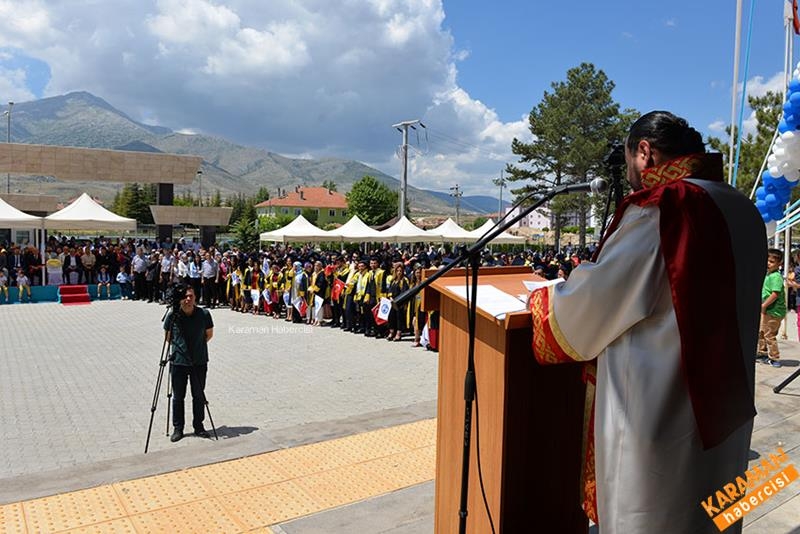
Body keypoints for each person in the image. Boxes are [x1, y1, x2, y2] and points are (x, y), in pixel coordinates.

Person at [527, 111, 765, 533]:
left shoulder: (664, 211)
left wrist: (543, 297)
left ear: (644, 152)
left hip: (658, 419)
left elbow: (589, 311)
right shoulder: (741, 208)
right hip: (723, 415)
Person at [164, 285, 214, 442]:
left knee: (198, 395)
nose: (188, 299)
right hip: (178, 362)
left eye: (191, 296)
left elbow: (209, 334)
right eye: (185, 296)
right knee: (178, 396)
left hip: (199, 361)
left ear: (195, 298)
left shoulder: (204, 314)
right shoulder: (173, 316)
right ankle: (178, 428)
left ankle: (198, 426)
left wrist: (196, 347)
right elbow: (168, 337)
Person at [759, 248, 786, 367]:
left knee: (769, 334)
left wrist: (764, 305)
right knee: (762, 331)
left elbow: (775, 294)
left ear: (779, 264)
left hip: (774, 311)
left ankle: (775, 358)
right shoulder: (768, 274)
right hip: (767, 310)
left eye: (771, 261)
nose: (768, 263)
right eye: (767, 261)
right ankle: (763, 352)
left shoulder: (776, 277)